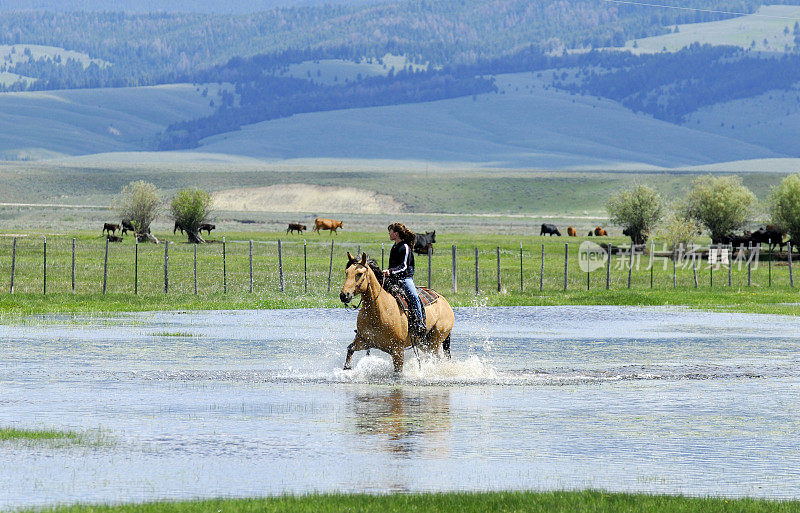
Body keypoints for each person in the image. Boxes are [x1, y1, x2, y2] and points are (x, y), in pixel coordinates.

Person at [383, 223, 426, 338]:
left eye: (390, 231)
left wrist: (390, 271)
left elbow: (404, 267)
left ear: (396, 234)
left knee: (413, 296)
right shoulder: (394, 246)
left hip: (405, 278)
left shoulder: (405, 247)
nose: (389, 234)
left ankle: (419, 322)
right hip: (393, 278)